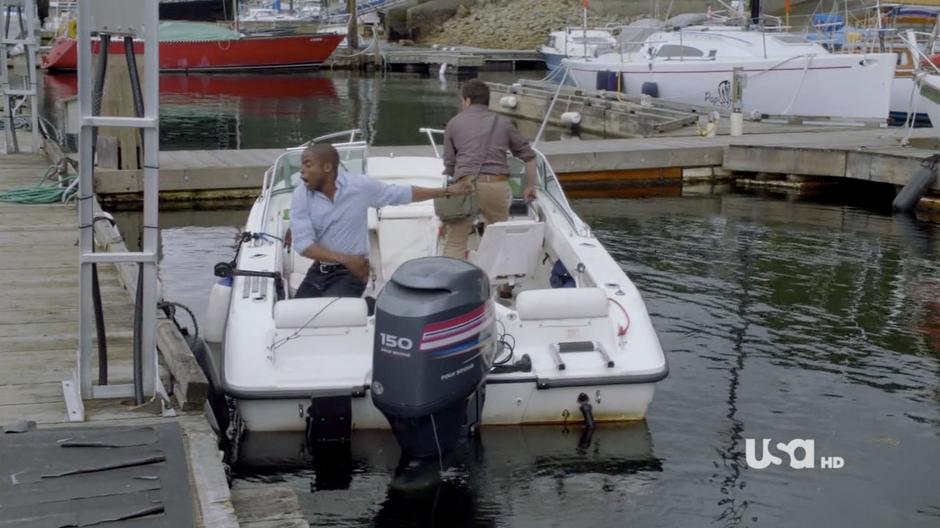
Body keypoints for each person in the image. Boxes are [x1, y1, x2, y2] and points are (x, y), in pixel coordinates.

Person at [291, 143, 470, 298]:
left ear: (327, 167)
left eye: (307, 165)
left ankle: (372, 306)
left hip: (351, 273)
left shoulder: (359, 187)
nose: (301, 171)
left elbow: (402, 194)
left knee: (330, 315)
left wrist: (446, 191)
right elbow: (303, 244)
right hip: (320, 271)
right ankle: (372, 304)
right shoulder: (301, 195)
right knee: (293, 318)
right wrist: (346, 259)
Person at [441, 79, 539, 259]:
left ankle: (451, 281)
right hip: (496, 186)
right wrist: (530, 186)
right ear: (487, 101)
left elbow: (449, 165)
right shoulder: (504, 123)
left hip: (465, 187)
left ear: (467, 100)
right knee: (497, 236)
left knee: (455, 240)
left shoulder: (454, 123)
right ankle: (499, 282)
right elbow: (529, 157)